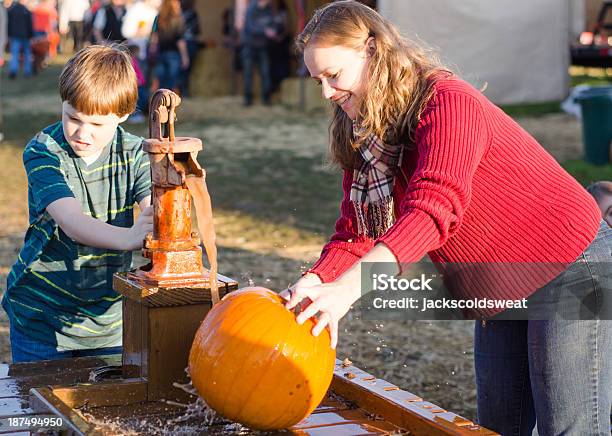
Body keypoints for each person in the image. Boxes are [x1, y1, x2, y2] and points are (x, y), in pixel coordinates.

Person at [282, 2, 611, 435]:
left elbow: (433, 210)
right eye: (318, 80)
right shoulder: (365, 129)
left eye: (334, 76)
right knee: (498, 426)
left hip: (570, 264)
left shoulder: (447, 103)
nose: (326, 92)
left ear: (374, 54)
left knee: (569, 427)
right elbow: (359, 228)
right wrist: (318, 280)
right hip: (499, 286)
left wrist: (347, 290)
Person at [2, 44, 153, 363]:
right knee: (40, 412)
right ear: (63, 104)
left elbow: (156, 207)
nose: (82, 133)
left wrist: (162, 214)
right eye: (73, 118)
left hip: (109, 324)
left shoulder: (137, 153)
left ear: (123, 115)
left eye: (97, 125)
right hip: (41, 320)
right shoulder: (43, 151)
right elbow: (70, 221)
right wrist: (129, 238)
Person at [240, 0, 275, 105]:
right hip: (249, 46)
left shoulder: (269, 9)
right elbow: (250, 27)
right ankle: (248, 100)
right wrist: (265, 31)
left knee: (265, 73)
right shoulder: (251, 8)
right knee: (248, 73)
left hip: (262, 46)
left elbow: (271, 23)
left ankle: (266, 99)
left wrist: (274, 30)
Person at [149, 0, 189, 92]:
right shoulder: (178, 19)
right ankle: (169, 104)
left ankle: (160, 103)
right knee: (171, 83)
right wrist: (185, 56)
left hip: (160, 53)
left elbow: (154, 36)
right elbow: (180, 40)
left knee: (161, 83)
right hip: (173, 54)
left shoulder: (158, 18)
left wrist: (153, 48)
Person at [7, 0, 33, 79]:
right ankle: (27, 71)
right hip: (25, 36)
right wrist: (30, 35)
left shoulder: (12, 10)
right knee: (27, 54)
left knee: (15, 54)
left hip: (15, 35)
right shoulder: (26, 10)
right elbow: (30, 25)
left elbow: (9, 24)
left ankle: (13, 70)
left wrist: (9, 34)